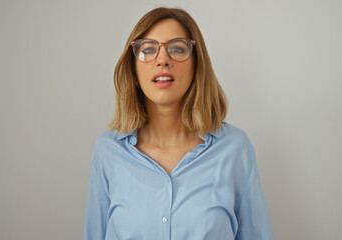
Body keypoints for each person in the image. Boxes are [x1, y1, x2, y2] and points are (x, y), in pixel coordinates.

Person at [83, 7, 274, 240]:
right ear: (133, 69)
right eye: (149, 49)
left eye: (177, 48)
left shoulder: (235, 149)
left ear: (197, 66)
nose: (163, 60)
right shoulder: (107, 151)